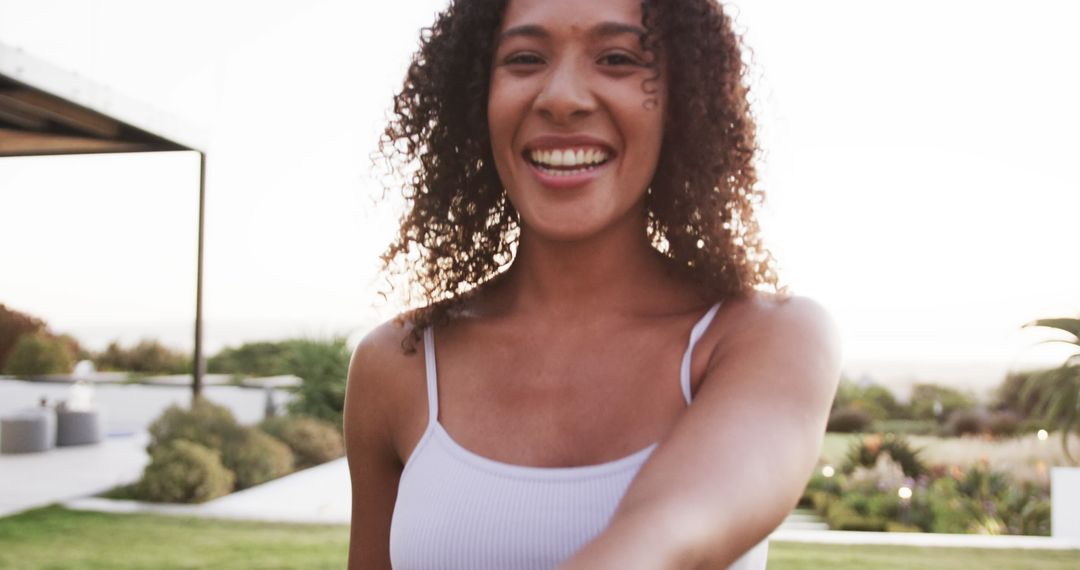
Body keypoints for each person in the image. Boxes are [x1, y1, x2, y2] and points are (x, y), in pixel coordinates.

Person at [344, 0, 841, 568]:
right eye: (525, 58)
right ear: (474, 99)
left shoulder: (765, 338)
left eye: (617, 58)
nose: (562, 97)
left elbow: (671, 533)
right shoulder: (400, 364)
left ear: (683, 101)